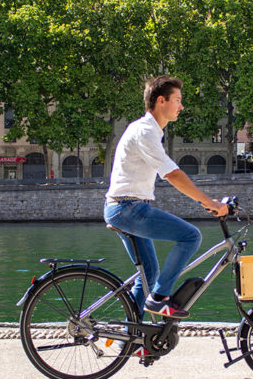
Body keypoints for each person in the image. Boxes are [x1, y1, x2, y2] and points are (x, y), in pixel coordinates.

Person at [104, 75, 228, 321]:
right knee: (191, 236)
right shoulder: (145, 132)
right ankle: (160, 300)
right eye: (178, 100)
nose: (181, 106)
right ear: (161, 101)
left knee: (148, 276)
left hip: (124, 208)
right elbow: (171, 173)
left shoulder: (149, 131)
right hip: (128, 208)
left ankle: (132, 338)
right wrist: (210, 203)